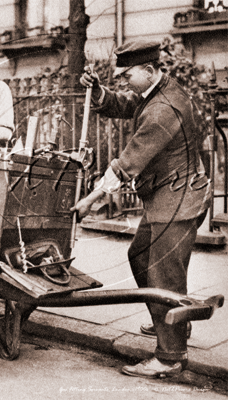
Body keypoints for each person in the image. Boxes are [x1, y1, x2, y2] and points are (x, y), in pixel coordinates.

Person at [72, 40, 211, 379]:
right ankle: (172, 322)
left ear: (149, 71)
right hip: (169, 198)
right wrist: (100, 93)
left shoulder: (166, 108)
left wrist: (91, 199)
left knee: (164, 274)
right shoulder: (158, 89)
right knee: (140, 256)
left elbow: (128, 162)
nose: (124, 80)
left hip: (178, 202)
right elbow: (128, 103)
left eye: (127, 75)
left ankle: (170, 356)